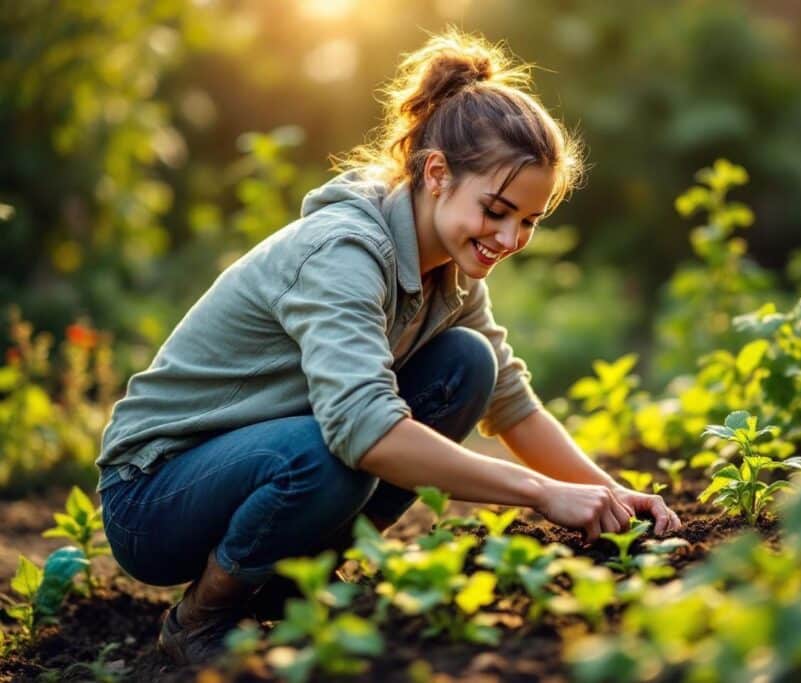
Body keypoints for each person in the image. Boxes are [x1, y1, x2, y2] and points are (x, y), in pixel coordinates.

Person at [94, 27, 682, 666]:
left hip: (263, 459)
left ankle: (289, 590)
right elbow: (365, 430)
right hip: (153, 494)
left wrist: (613, 496)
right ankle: (199, 622)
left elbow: (511, 403)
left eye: (529, 222)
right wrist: (541, 493)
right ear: (437, 174)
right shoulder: (344, 252)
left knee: (468, 365)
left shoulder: (448, 269)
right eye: (497, 209)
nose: (510, 237)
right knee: (327, 454)